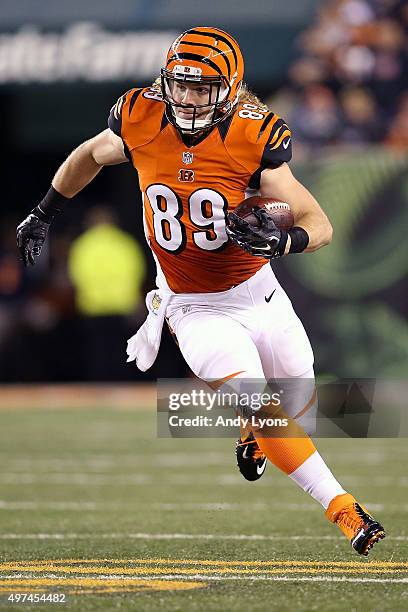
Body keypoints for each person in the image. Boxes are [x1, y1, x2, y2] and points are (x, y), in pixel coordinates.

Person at [16, 26, 385, 555]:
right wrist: (44, 211)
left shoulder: (252, 138)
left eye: (202, 87)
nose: (188, 98)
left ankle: (249, 435)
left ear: (229, 89)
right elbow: (89, 156)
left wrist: (283, 242)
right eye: (181, 85)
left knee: (298, 400)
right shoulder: (140, 118)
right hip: (193, 307)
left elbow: (318, 222)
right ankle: (343, 508)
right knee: (261, 406)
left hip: (259, 292)